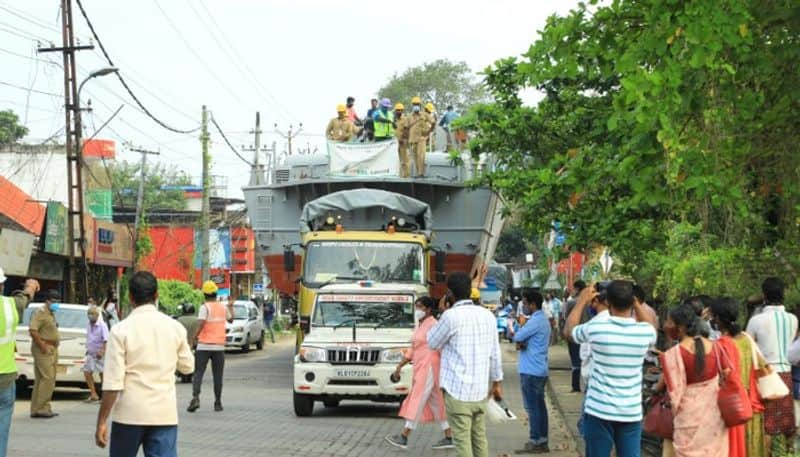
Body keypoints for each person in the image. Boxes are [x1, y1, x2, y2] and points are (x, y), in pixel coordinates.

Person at [95, 271, 194, 456]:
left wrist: (102, 420)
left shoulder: (119, 330)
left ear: (131, 297)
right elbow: (188, 367)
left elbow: (112, 384)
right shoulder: (175, 328)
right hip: (164, 414)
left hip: (129, 414)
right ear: (156, 295)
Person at [565, 280, 657, 457]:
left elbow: (569, 331)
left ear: (608, 302)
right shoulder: (644, 333)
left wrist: (582, 301)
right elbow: (651, 327)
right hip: (630, 411)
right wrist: (635, 303)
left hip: (599, 410)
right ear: (632, 302)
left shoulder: (596, 328)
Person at [427, 272, 503, 457]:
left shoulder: (450, 316)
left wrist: (442, 311)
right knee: (479, 439)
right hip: (479, 391)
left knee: (462, 442)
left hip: (457, 391)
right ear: (470, 291)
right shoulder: (488, 316)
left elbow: (432, 342)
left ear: (450, 294)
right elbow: (495, 353)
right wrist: (496, 382)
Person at [656, 304, 729, 457]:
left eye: (669, 322)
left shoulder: (674, 354)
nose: (666, 326)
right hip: (714, 417)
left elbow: (674, 394)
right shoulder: (715, 347)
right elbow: (726, 374)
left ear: (680, 327)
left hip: (687, 418)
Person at [385, 297, 454, 451]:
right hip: (421, 367)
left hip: (429, 367)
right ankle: (449, 437)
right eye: (416, 307)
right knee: (437, 403)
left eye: (420, 307)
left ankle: (404, 436)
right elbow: (413, 348)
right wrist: (399, 366)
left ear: (429, 309)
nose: (417, 310)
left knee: (418, 398)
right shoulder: (420, 325)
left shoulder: (435, 325)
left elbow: (443, 347)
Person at [746, 277, 798, 455]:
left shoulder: (756, 320)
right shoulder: (793, 319)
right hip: (787, 373)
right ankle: (789, 452)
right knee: (787, 421)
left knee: (767, 424)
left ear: (764, 295)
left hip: (766, 374)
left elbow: (748, 347)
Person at [711, 297, 766, 457]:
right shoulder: (747, 339)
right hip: (752, 403)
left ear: (719, 319)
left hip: (732, 407)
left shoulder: (721, 344)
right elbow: (762, 366)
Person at [0, 269, 38, 455]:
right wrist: (30, 287)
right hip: (5, 377)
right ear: (1, 286)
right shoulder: (10, 306)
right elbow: (25, 298)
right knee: (2, 427)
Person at [513, 290, 551, 453]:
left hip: (531, 370)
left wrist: (520, 324)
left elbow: (517, 337)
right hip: (539, 368)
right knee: (540, 406)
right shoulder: (542, 320)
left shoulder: (535, 321)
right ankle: (542, 440)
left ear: (533, 304)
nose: (524, 307)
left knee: (533, 408)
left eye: (525, 304)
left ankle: (535, 440)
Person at [188, 281, 234, 413]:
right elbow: (231, 320)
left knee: (198, 373)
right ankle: (218, 402)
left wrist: (193, 338)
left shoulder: (204, 307)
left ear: (204, 294)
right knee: (218, 375)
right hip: (219, 347)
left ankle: (196, 398)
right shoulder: (222, 307)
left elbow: (201, 323)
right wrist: (231, 306)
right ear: (215, 294)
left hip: (203, 346)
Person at [29, 289, 62, 418]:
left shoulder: (51, 313)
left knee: (44, 379)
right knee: (47, 378)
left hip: (52, 348)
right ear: (47, 301)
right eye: (53, 301)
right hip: (44, 348)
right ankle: (41, 408)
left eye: (58, 301)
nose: (56, 304)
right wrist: (42, 346)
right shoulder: (40, 312)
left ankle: (40, 408)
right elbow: (33, 330)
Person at [562, 280, 587, 393]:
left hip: (574, 334)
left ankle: (575, 386)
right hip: (587, 335)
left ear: (577, 289)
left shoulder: (572, 303)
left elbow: (566, 317)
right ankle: (587, 386)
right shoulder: (591, 302)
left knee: (575, 361)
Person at [84, 306, 109, 402]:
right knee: (87, 372)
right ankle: (93, 394)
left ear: (97, 315)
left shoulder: (102, 325)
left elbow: (106, 340)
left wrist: (102, 351)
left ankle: (104, 396)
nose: (90, 316)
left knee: (102, 374)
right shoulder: (88, 325)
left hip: (100, 353)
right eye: (89, 314)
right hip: (91, 353)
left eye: (92, 314)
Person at [407, 96, 434, 177]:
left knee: (421, 155)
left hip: (421, 139)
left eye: (417, 104)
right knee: (415, 157)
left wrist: (429, 131)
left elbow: (433, 122)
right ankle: (418, 172)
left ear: (420, 105)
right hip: (412, 140)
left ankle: (421, 173)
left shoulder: (424, 114)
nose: (416, 106)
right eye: (414, 104)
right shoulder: (409, 116)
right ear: (412, 105)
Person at [394, 103, 412, 178]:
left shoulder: (405, 119)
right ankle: (400, 176)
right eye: (398, 110)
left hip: (403, 142)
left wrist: (402, 139)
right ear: (395, 110)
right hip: (395, 143)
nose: (399, 111)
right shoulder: (394, 119)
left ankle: (406, 176)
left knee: (405, 160)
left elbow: (406, 130)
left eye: (401, 110)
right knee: (397, 160)